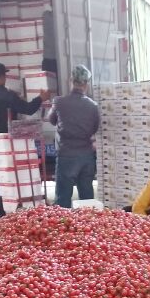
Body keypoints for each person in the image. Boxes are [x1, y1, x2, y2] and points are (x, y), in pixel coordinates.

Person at [0, 62, 49, 218]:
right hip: (8, 142)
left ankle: (0, 210)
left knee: (0, 175)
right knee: (12, 175)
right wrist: (40, 98)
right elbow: (28, 109)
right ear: (3, 76)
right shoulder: (8, 95)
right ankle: (13, 207)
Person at [48, 64, 99, 208]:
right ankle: (87, 227)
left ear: (71, 80)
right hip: (86, 156)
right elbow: (95, 128)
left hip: (66, 155)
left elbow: (52, 120)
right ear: (86, 84)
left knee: (63, 198)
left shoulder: (59, 102)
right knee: (87, 198)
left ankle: (64, 228)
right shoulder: (93, 106)